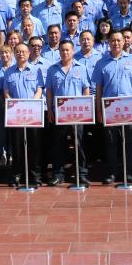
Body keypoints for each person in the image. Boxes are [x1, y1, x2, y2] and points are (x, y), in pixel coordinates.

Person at [93, 31, 132, 185]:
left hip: (129, 107)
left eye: (119, 40)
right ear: (109, 43)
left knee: (128, 141)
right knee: (111, 141)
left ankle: (128, 172)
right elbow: (98, 89)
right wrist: (99, 110)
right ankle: (112, 172)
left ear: (124, 42)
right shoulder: (101, 63)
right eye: (113, 40)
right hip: (110, 108)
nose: (116, 43)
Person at [45, 40, 91, 186]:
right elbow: (49, 91)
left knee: (79, 143)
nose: (65, 52)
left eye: (67, 50)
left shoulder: (81, 68)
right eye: (62, 50)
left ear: (73, 51)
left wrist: (86, 109)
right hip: (59, 113)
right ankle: (58, 174)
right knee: (58, 144)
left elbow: (86, 89)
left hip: (78, 113)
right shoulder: (52, 69)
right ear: (59, 51)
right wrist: (50, 110)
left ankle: (81, 173)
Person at [3, 43, 45, 187]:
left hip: (32, 113)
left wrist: (30, 104)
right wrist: (15, 105)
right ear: (14, 54)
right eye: (18, 51)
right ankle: (17, 175)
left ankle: (35, 175)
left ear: (28, 53)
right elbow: (6, 92)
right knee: (17, 146)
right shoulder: (8, 72)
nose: (21, 54)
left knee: (34, 145)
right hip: (15, 115)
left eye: (24, 51)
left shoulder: (36, 70)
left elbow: (39, 90)